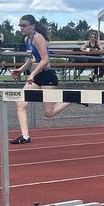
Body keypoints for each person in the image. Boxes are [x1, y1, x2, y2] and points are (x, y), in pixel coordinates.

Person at [9, 15, 82, 144]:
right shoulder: (26, 39)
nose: (21, 28)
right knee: (20, 103)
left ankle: (72, 98)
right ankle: (25, 136)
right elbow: (32, 58)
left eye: (24, 26)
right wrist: (20, 69)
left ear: (33, 26)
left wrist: (32, 74)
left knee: (49, 113)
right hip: (36, 76)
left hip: (47, 76)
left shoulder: (38, 37)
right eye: (20, 26)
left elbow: (45, 60)